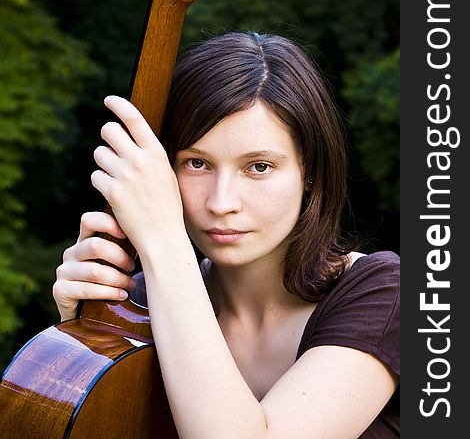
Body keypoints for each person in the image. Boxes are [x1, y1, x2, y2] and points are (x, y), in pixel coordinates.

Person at [53, 31, 400, 439]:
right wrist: (81, 342)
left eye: (258, 167)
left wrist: (164, 240)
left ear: (310, 172)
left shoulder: (384, 293)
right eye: (197, 163)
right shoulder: (141, 304)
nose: (222, 202)